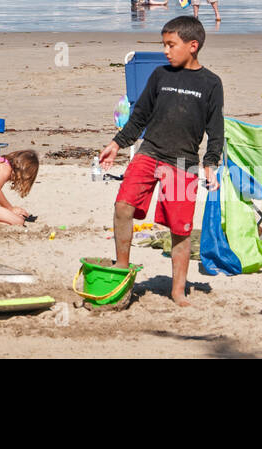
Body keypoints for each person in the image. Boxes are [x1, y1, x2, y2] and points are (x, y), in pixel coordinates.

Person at [98, 15, 222, 306]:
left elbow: (216, 131)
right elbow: (138, 117)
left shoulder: (211, 84)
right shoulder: (160, 75)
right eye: (163, 44)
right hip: (149, 152)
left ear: (193, 46)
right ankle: (122, 267)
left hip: (185, 162)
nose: (165, 50)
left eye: (171, 44)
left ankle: (177, 291)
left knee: (181, 229)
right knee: (122, 205)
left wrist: (211, 164)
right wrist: (116, 144)